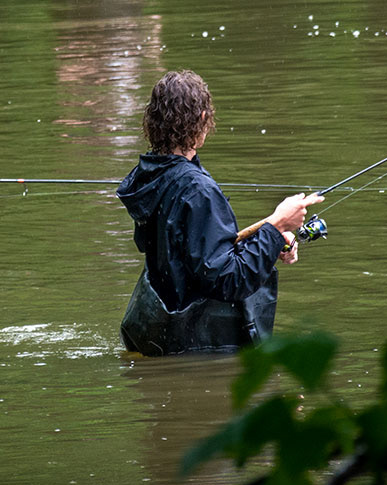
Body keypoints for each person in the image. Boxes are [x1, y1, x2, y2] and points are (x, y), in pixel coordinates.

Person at [116, 70, 322, 354]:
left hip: (157, 334)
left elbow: (193, 257)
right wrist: (275, 227)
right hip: (194, 346)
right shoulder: (196, 189)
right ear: (202, 119)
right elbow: (228, 280)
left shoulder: (150, 176)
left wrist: (271, 242)